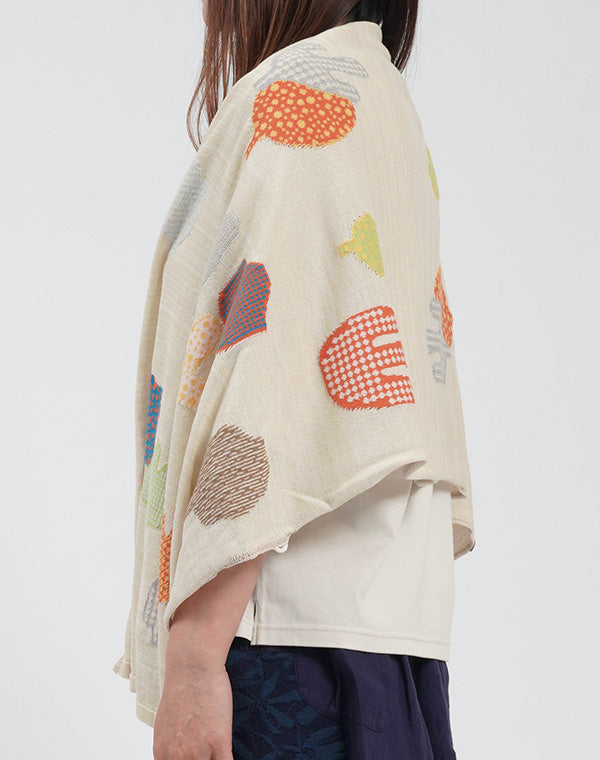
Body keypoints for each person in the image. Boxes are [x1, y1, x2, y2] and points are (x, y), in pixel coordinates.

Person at [112, 2, 476, 758]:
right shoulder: (381, 99)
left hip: (286, 644)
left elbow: (263, 385)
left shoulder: (299, 101)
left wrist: (194, 657)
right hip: (385, 649)